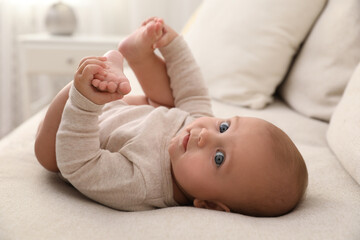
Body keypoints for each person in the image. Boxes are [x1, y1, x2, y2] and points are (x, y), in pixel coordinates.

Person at [34, 17, 308, 217]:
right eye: (224, 126)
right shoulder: (195, 129)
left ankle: (94, 84)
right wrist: (172, 45)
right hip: (122, 109)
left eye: (219, 158)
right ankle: (137, 55)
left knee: (49, 159)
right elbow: (193, 90)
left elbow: (80, 165)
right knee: (172, 102)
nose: (206, 135)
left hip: (70, 134)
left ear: (209, 204)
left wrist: (84, 102)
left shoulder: (142, 185)